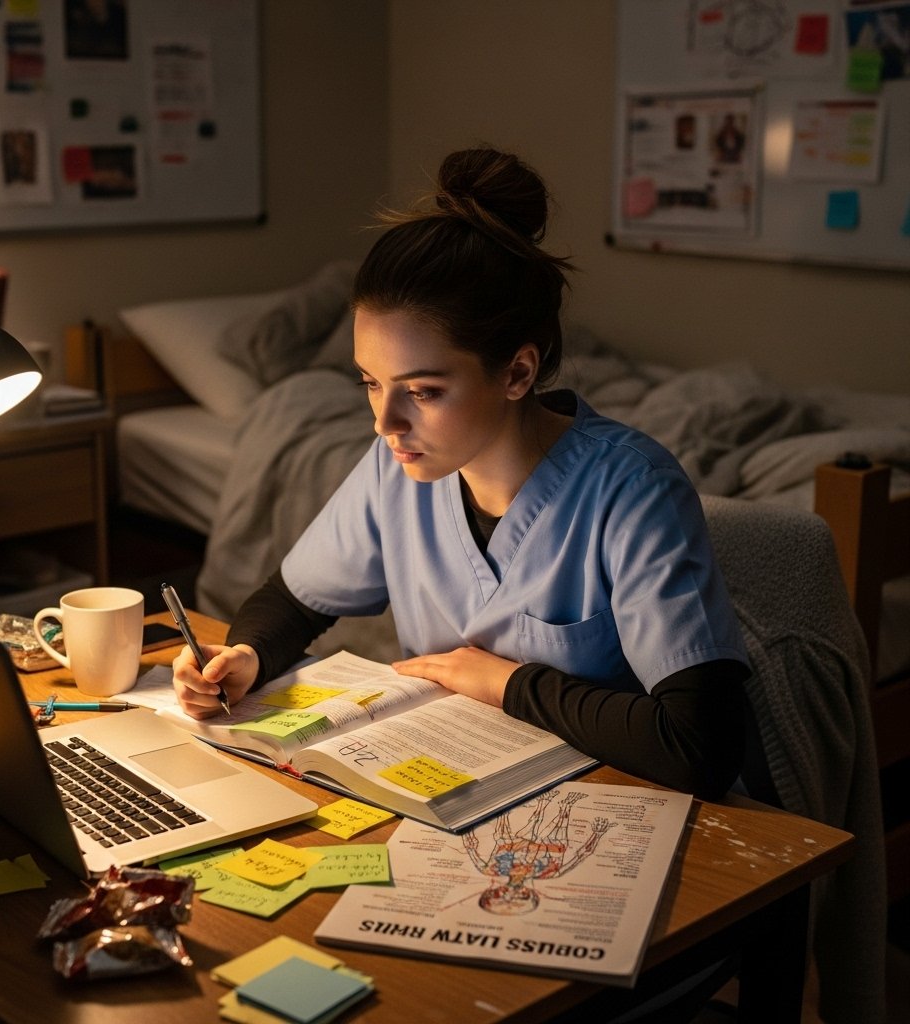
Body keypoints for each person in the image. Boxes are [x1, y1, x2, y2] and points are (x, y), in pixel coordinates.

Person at [172, 147, 755, 803]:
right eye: (370, 383)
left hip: (615, 805)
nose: (384, 422)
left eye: (421, 391)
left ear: (517, 373)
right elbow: (291, 602)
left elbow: (701, 745)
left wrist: (504, 682)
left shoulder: (631, 490)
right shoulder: (398, 472)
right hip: (462, 791)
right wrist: (244, 657)